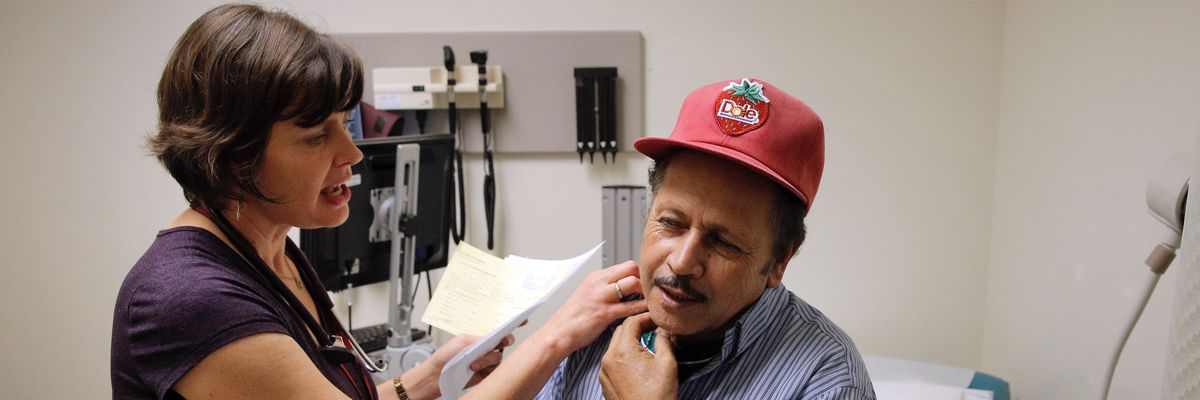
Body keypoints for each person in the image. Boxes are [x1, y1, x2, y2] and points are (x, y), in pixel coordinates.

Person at [111, 4, 646, 400]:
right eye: (316, 136)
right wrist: (558, 334)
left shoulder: (272, 252)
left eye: (344, 126)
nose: (353, 154)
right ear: (233, 154)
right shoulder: (191, 299)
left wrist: (432, 374)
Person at [535, 78, 877, 399]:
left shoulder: (826, 379)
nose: (682, 262)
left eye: (724, 242)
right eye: (670, 223)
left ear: (779, 261)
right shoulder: (593, 329)